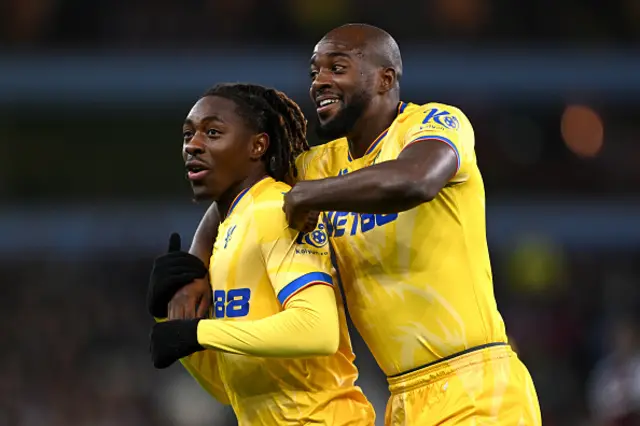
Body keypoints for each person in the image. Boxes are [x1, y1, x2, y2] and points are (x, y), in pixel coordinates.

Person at [163, 24, 542, 425]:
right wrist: (194, 270)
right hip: (402, 399)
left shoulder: (433, 124)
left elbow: (417, 180)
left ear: (386, 78)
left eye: (336, 68)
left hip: (477, 384)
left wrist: (308, 195)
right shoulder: (319, 165)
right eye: (314, 72)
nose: (320, 82)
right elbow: (239, 198)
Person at [146, 83, 375, 426]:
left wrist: (197, 334)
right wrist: (171, 320)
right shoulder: (227, 232)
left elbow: (318, 330)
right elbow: (231, 387)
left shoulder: (275, 210)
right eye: (188, 135)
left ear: (258, 145)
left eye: (212, 132)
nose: (193, 145)